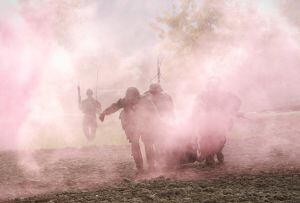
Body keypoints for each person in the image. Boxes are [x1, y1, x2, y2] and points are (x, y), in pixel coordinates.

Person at [99, 87, 159, 173]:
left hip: (145, 124)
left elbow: (154, 112)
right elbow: (115, 106)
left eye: (132, 97)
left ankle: (152, 166)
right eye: (129, 97)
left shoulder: (145, 101)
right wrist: (104, 113)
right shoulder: (125, 101)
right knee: (135, 144)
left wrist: (156, 123)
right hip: (132, 125)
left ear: (137, 96)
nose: (131, 100)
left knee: (148, 143)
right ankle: (140, 167)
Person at [193, 77, 241, 166]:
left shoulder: (224, 95)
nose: (212, 87)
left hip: (219, 121)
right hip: (206, 121)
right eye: (210, 85)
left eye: (214, 85)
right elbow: (196, 105)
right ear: (207, 86)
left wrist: (230, 110)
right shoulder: (203, 95)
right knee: (205, 138)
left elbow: (237, 101)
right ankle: (209, 156)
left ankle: (218, 151)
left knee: (220, 139)